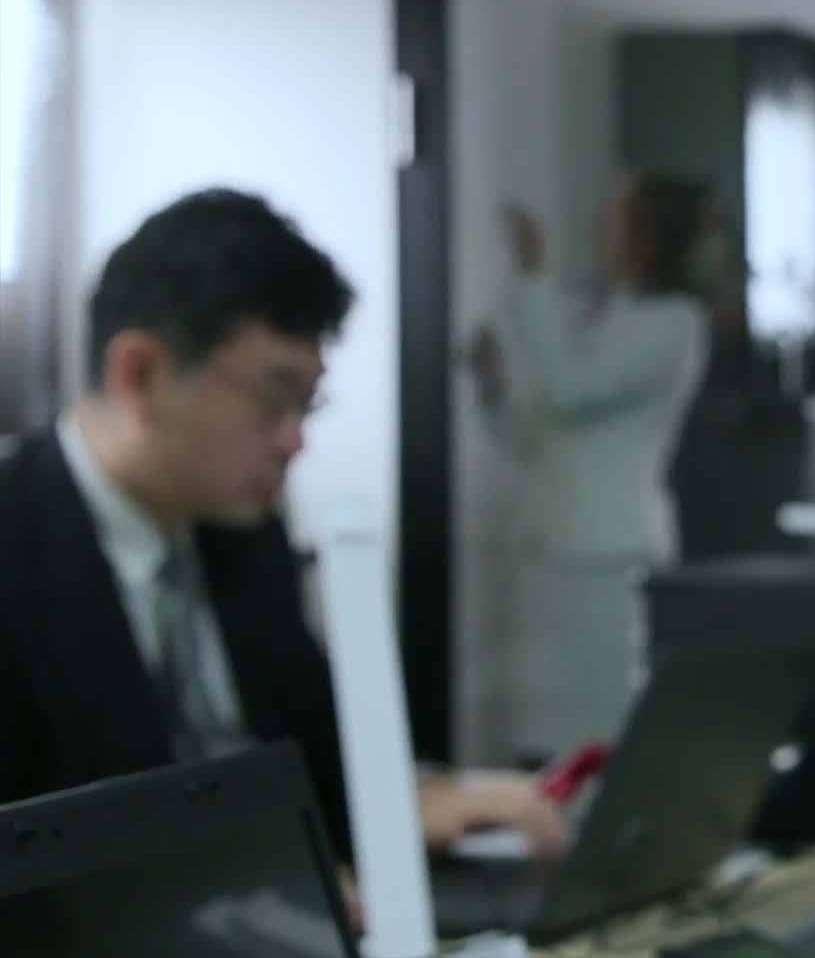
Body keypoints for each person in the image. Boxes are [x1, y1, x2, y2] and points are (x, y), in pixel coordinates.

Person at [0, 189, 572, 897]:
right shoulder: (19, 545)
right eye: (274, 399)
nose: (294, 440)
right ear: (140, 375)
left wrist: (413, 798)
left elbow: (314, 756)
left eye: (308, 404)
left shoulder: (242, 534)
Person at [463, 169, 712, 761]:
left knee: (601, 735)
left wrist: (531, 275)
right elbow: (537, 439)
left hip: (608, 557)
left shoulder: (675, 321)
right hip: (546, 551)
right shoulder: (590, 309)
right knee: (540, 742)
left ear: (649, 230)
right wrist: (492, 388)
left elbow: (571, 387)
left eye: (617, 211)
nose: (600, 222)